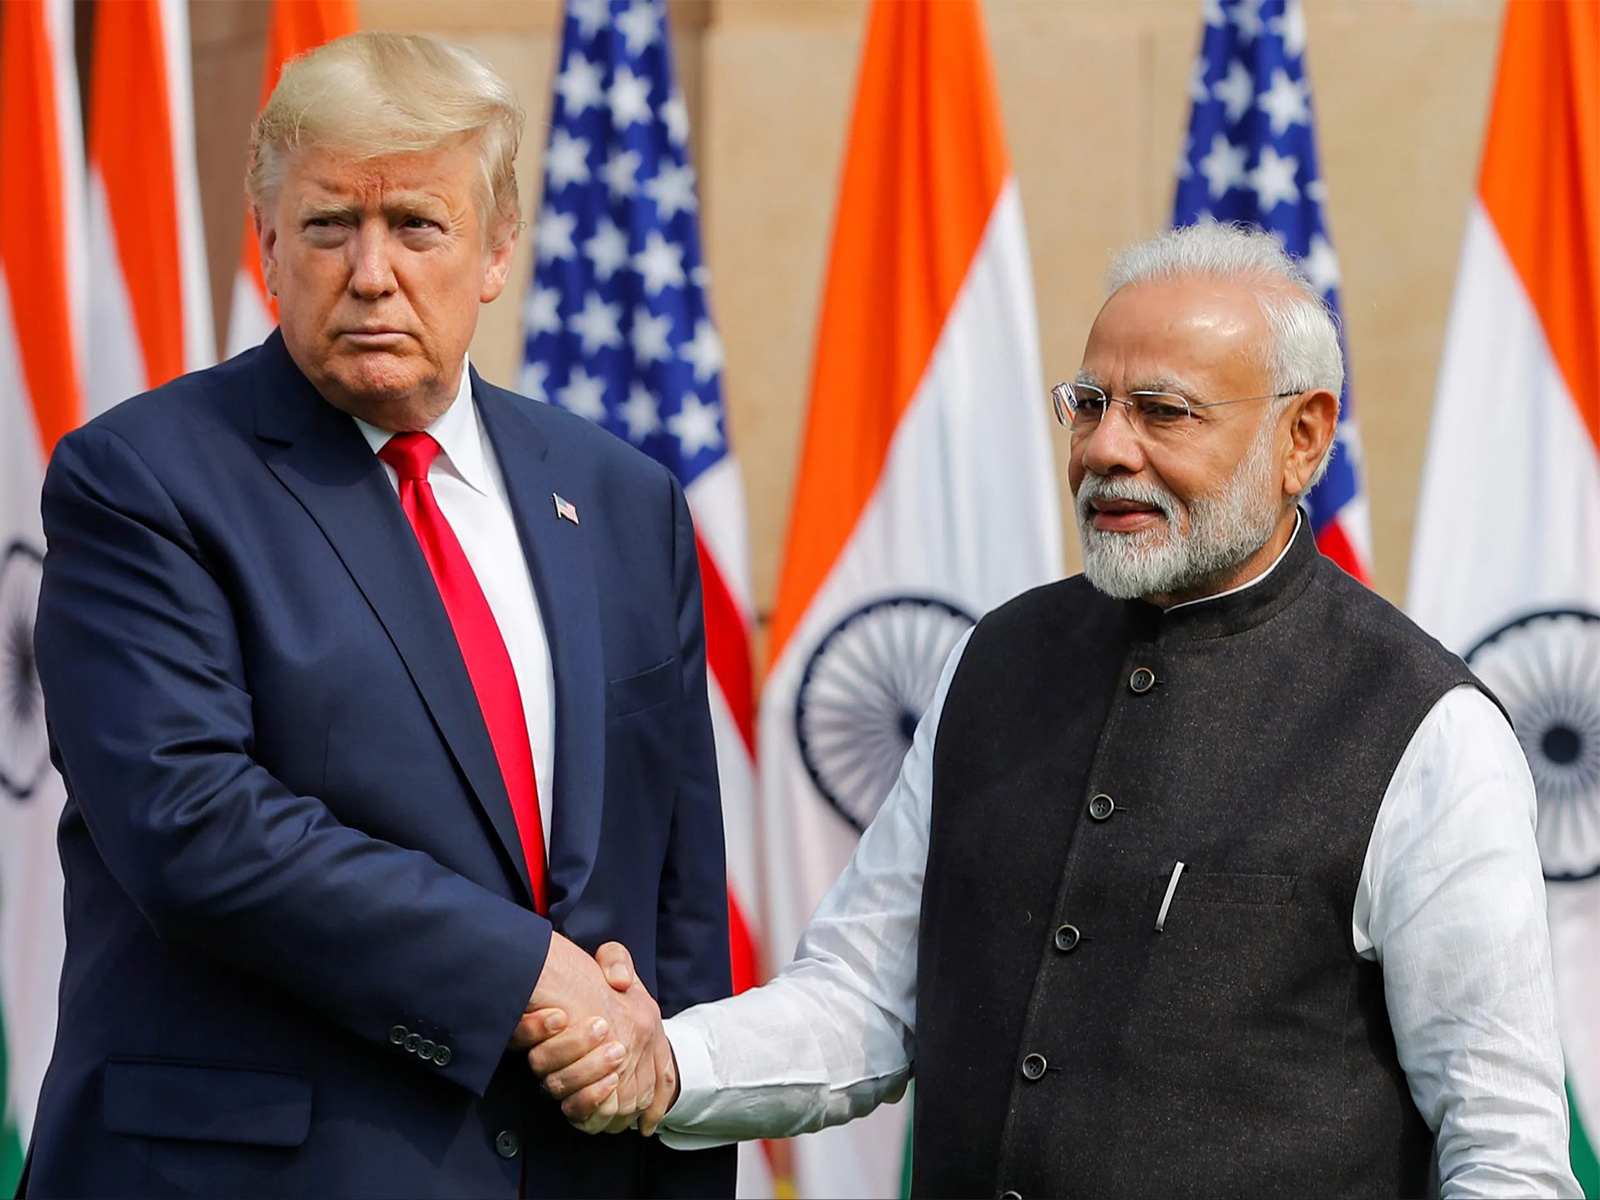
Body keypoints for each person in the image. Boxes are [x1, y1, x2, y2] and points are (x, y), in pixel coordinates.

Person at [522, 222, 1581, 1198]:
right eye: (1088, 404)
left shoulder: (1420, 727)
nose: (1106, 449)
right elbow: (863, 999)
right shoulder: (997, 660)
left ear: (1302, 437)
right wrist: (666, 1061)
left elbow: (1501, 1146)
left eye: (1162, 411)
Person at [22, 31, 733, 1199]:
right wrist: (522, 974)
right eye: (326, 227)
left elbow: (675, 892)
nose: (370, 271)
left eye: (416, 224)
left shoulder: (620, 499)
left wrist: (683, 1126)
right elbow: (193, 822)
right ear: (265, 248)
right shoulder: (142, 479)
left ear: (497, 250)